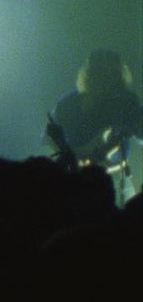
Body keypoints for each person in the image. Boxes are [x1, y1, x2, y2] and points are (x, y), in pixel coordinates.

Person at [50, 49, 142, 204]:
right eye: (99, 72)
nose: (105, 78)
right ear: (89, 74)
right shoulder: (70, 102)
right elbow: (49, 135)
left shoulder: (127, 101)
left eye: (111, 73)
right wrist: (71, 154)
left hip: (116, 178)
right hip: (76, 180)